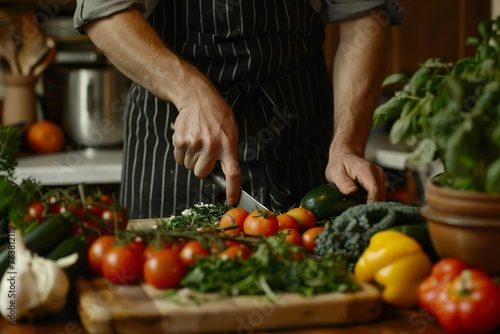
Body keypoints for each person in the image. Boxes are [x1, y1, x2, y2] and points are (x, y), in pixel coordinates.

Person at [73, 0, 402, 219]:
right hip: (172, 144)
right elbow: (106, 13)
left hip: (301, 138)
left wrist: (347, 144)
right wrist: (191, 93)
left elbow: (365, 17)